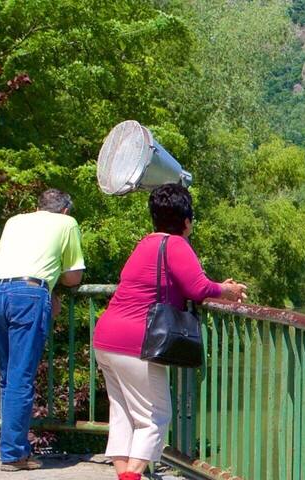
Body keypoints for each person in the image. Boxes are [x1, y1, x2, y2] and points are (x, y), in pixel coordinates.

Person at [93, 184, 246, 480]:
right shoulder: (175, 244)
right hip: (136, 342)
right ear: (186, 221)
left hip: (107, 338)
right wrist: (227, 289)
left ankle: (125, 475)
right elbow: (197, 288)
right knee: (154, 417)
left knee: (123, 414)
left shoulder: (145, 243)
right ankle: (131, 477)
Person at [0, 188, 86, 472]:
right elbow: (73, 275)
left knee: (8, 376)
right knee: (20, 378)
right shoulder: (67, 223)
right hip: (28, 296)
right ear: (65, 210)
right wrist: (53, 288)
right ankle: (14, 455)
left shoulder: (14, 221)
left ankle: (11, 448)